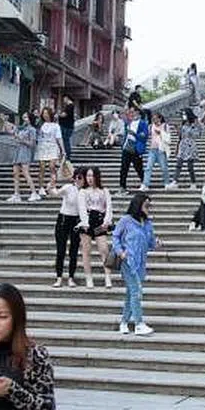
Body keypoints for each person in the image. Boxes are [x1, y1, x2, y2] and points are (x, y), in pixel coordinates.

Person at [113, 192, 157, 336]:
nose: (148, 208)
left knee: (131, 293)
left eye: (149, 206)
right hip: (128, 262)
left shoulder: (147, 224)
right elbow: (115, 236)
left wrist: (157, 243)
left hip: (140, 263)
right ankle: (138, 323)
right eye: (146, 205)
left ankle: (124, 322)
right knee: (136, 291)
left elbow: (150, 243)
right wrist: (120, 252)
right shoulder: (126, 220)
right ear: (139, 205)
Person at [77, 167, 114, 289]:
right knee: (86, 250)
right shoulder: (82, 192)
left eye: (92, 176)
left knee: (104, 249)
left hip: (99, 221)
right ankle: (89, 277)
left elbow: (108, 207)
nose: (89, 178)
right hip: (87, 221)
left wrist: (106, 221)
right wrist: (85, 223)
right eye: (87, 176)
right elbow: (81, 208)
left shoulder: (104, 191)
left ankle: (108, 276)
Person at [48, 164, 84, 288]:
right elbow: (56, 193)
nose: (79, 180)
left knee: (73, 250)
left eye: (81, 178)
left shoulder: (85, 192)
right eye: (77, 177)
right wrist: (51, 186)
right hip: (64, 219)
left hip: (77, 221)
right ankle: (59, 277)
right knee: (61, 250)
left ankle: (71, 277)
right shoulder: (69, 187)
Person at [7, 112, 39, 203]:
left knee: (25, 172)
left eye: (26, 117)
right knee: (15, 173)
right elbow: (12, 134)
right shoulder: (21, 128)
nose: (24, 119)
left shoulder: (32, 130)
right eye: (23, 117)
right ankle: (16, 194)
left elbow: (32, 144)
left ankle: (34, 193)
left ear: (30, 118)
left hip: (25, 152)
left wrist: (20, 139)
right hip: (18, 151)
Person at [140, 111, 175, 191]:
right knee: (148, 167)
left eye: (155, 118)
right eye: (153, 119)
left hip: (161, 149)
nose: (154, 120)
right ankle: (145, 184)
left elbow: (169, 138)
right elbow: (147, 135)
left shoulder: (165, 126)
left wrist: (161, 133)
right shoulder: (151, 126)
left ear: (160, 118)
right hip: (152, 149)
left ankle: (167, 183)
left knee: (164, 167)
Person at [33, 107, 64, 196]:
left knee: (52, 166)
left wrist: (63, 150)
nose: (45, 115)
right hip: (42, 146)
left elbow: (59, 138)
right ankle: (41, 187)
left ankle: (52, 186)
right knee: (42, 167)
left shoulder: (56, 125)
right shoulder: (40, 124)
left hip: (53, 146)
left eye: (47, 113)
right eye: (44, 113)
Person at [118, 108, 149, 193]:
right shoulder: (128, 123)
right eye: (130, 112)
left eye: (133, 112)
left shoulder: (142, 123)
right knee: (124, 168)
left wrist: (135, 134)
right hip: (126, 147)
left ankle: (145, 183)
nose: (131, 114)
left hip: (136, 147)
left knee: (138, 167)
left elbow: (145, 136)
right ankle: (122, 186)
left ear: (138, 113)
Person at [175, 109, 202, 189]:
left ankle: (193, 182)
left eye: (185, 114)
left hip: (190, 146)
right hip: (182, 145)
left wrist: (195, 128)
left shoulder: (193, 125)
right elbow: (180, 136)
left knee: (190, 166)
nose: (184, 116)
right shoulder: (183, 125)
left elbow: (198, 135)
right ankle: (175, 181)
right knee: (178, 164)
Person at [57, 95, 76, 162]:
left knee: (65, 141)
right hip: (67, 126)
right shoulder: (69, 106)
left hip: (66, 126)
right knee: (65, 141)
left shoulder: (70, 106)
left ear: (67, 98)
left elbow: (64, 115)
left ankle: (67, 155)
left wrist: (58, 114)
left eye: (64, 98)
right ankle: (66, 155)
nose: (63, 100)